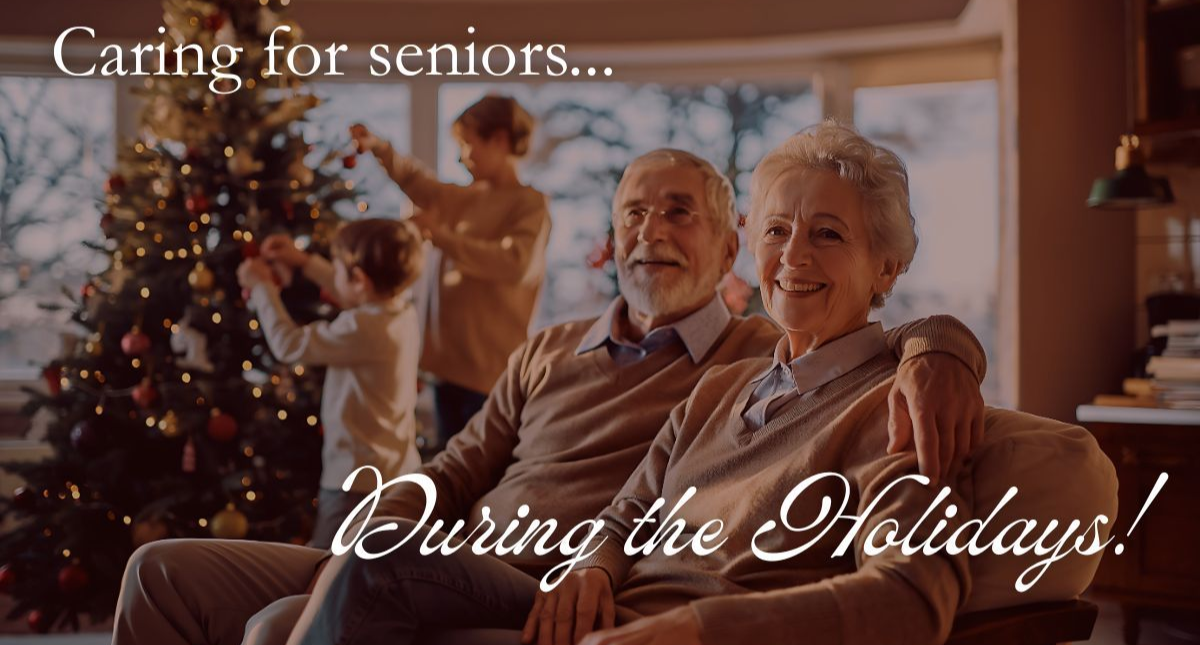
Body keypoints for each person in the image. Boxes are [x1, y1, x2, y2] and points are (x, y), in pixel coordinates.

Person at [276, 146, 988, 645]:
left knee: (358, 576)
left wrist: (937, 341)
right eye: (779, 229)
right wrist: (593, 561)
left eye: (827, 233)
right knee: (199, 585)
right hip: (559, 596)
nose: (794, 255)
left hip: (613, 618)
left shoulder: (900, 403)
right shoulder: (723, 387)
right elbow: (621, 515)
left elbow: (912, 594)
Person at [350, 95, 551, 448]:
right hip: (445, 369)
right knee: (449, 475)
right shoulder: (464, 198)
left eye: (468, 146)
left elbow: (514, 263)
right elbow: (417, 182)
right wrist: (379, 147)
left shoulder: (528, 204)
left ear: (500, 141)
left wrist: (439, 236)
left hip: (488, 377)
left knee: (479, 480)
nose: (461, 157)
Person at [236, 218, 424, 549]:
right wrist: (305, 262)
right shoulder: (400, 312)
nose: (334, 278)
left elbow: (288, 344)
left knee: (327, 565)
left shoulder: (363, 326)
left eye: (337, 269)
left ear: (359, 279)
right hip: (397, 471)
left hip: (355, 483)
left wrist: (263, 287)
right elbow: (353, 290)